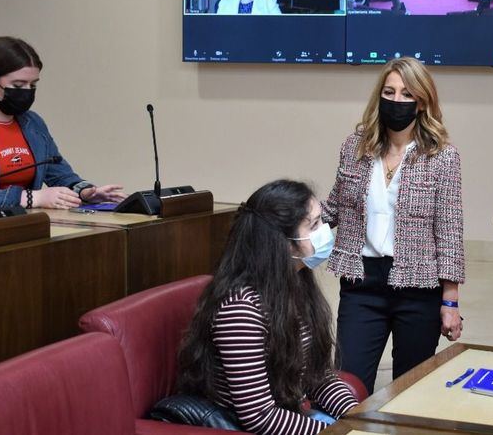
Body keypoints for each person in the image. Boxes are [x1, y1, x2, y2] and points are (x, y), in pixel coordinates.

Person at [323, 57, 465, 394]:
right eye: (389, 91)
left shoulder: (442, 156)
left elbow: (449, 231)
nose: (396, 101)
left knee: (409, 390)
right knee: (346, 386)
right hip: (362, 284)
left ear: (421, 102)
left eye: (406, 94)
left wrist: (450, 302)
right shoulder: (354, 148)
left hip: (418, 289)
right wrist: (289, 222)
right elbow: (335, 206)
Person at [177, 180, 358, 434]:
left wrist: (361, 418)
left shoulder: (295, 281)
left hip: (286, 416)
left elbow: (318, 377)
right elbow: (259, 416)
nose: (325, 231)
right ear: (283, 242)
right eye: (314, 224)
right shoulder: (241, 308)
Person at [0, 37, 126, 214]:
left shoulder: (33, 123)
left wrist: (85, 192)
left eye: (33, 85)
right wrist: (32, 198)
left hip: (27, 227)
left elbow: (60, 175)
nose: (27, 92)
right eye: (19, 84)